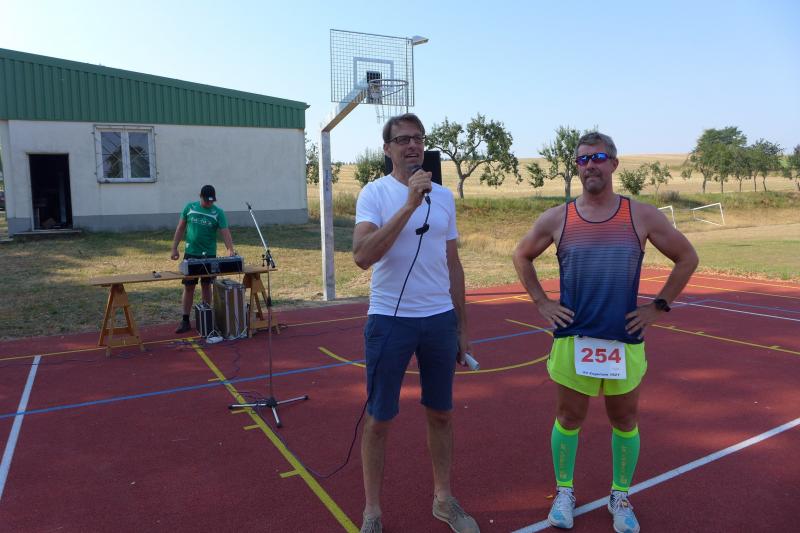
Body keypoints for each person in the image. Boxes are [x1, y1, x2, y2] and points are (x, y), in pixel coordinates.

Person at [512, 132, 698, 533]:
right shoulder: (558, 218)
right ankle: (564, 491)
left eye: (598, 158)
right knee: (569, 417)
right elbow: (521, 255)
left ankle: (620, 496)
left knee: (625, 419)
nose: (590, 165)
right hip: (573, 338)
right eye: (582, 160)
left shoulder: (641, 216)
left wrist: (658, 306)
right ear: (576, 168)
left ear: (614, 163)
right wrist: (542, 302)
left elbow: (687, 257)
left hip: (623, 339)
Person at [352, 113, 479, 533]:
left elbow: (453, 262)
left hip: (439, 318)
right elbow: (363, 255)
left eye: (418, 138)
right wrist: (408, 204)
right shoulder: (374, 194)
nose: (412, 145)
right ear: (387, 148)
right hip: (390, 319)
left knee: (441, 412)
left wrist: (462, 326)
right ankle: (373, 512)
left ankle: (443, 499)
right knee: (380, 418)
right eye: (403, 139)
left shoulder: (443, 197)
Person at [171, 184, 235, 333]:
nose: (209, 203)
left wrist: (230, 249)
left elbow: (225, 232)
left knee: (207, 285)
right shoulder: (190, 208)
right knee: (189, 287)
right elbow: (180, 228)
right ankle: (185, 320)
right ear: (200, 196)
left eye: (211, 201)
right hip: (191, 254)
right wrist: (174, 248)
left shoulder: (218, 212)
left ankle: (206, 318)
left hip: (209, 255)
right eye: (206, 201)